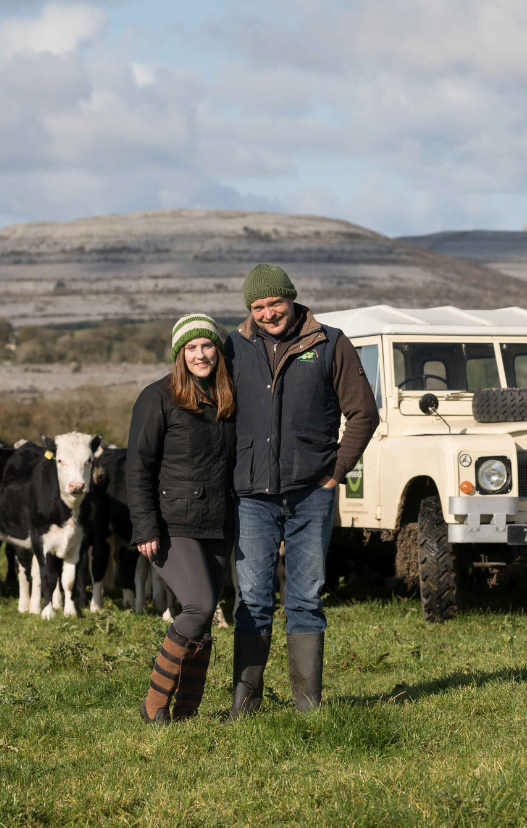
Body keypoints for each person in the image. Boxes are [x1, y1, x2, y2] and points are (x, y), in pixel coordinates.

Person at [227, 263, 379, 715]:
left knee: (305, 599)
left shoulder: (330, 343)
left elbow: (364, 414)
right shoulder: (232, 347)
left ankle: (307, 707)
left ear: (291, 298)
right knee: (252, 600)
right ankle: (244, 706)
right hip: (251, 496)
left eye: (275, 303)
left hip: (312, 492)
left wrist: (335, 472)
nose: (268, 313)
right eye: (258, 306)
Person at [127, 313, 236, 723]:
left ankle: (188, 710)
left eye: (206, 345)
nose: (200, 355)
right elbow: (138, 467)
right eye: (190, 348)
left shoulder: (227, 398)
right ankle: (154, 704)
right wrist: (145, 525)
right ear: (179, 354)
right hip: (173, 524)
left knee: (205, 619)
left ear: (216, 350)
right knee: (199, 605)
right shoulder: (157, 397)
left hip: (219, 521)